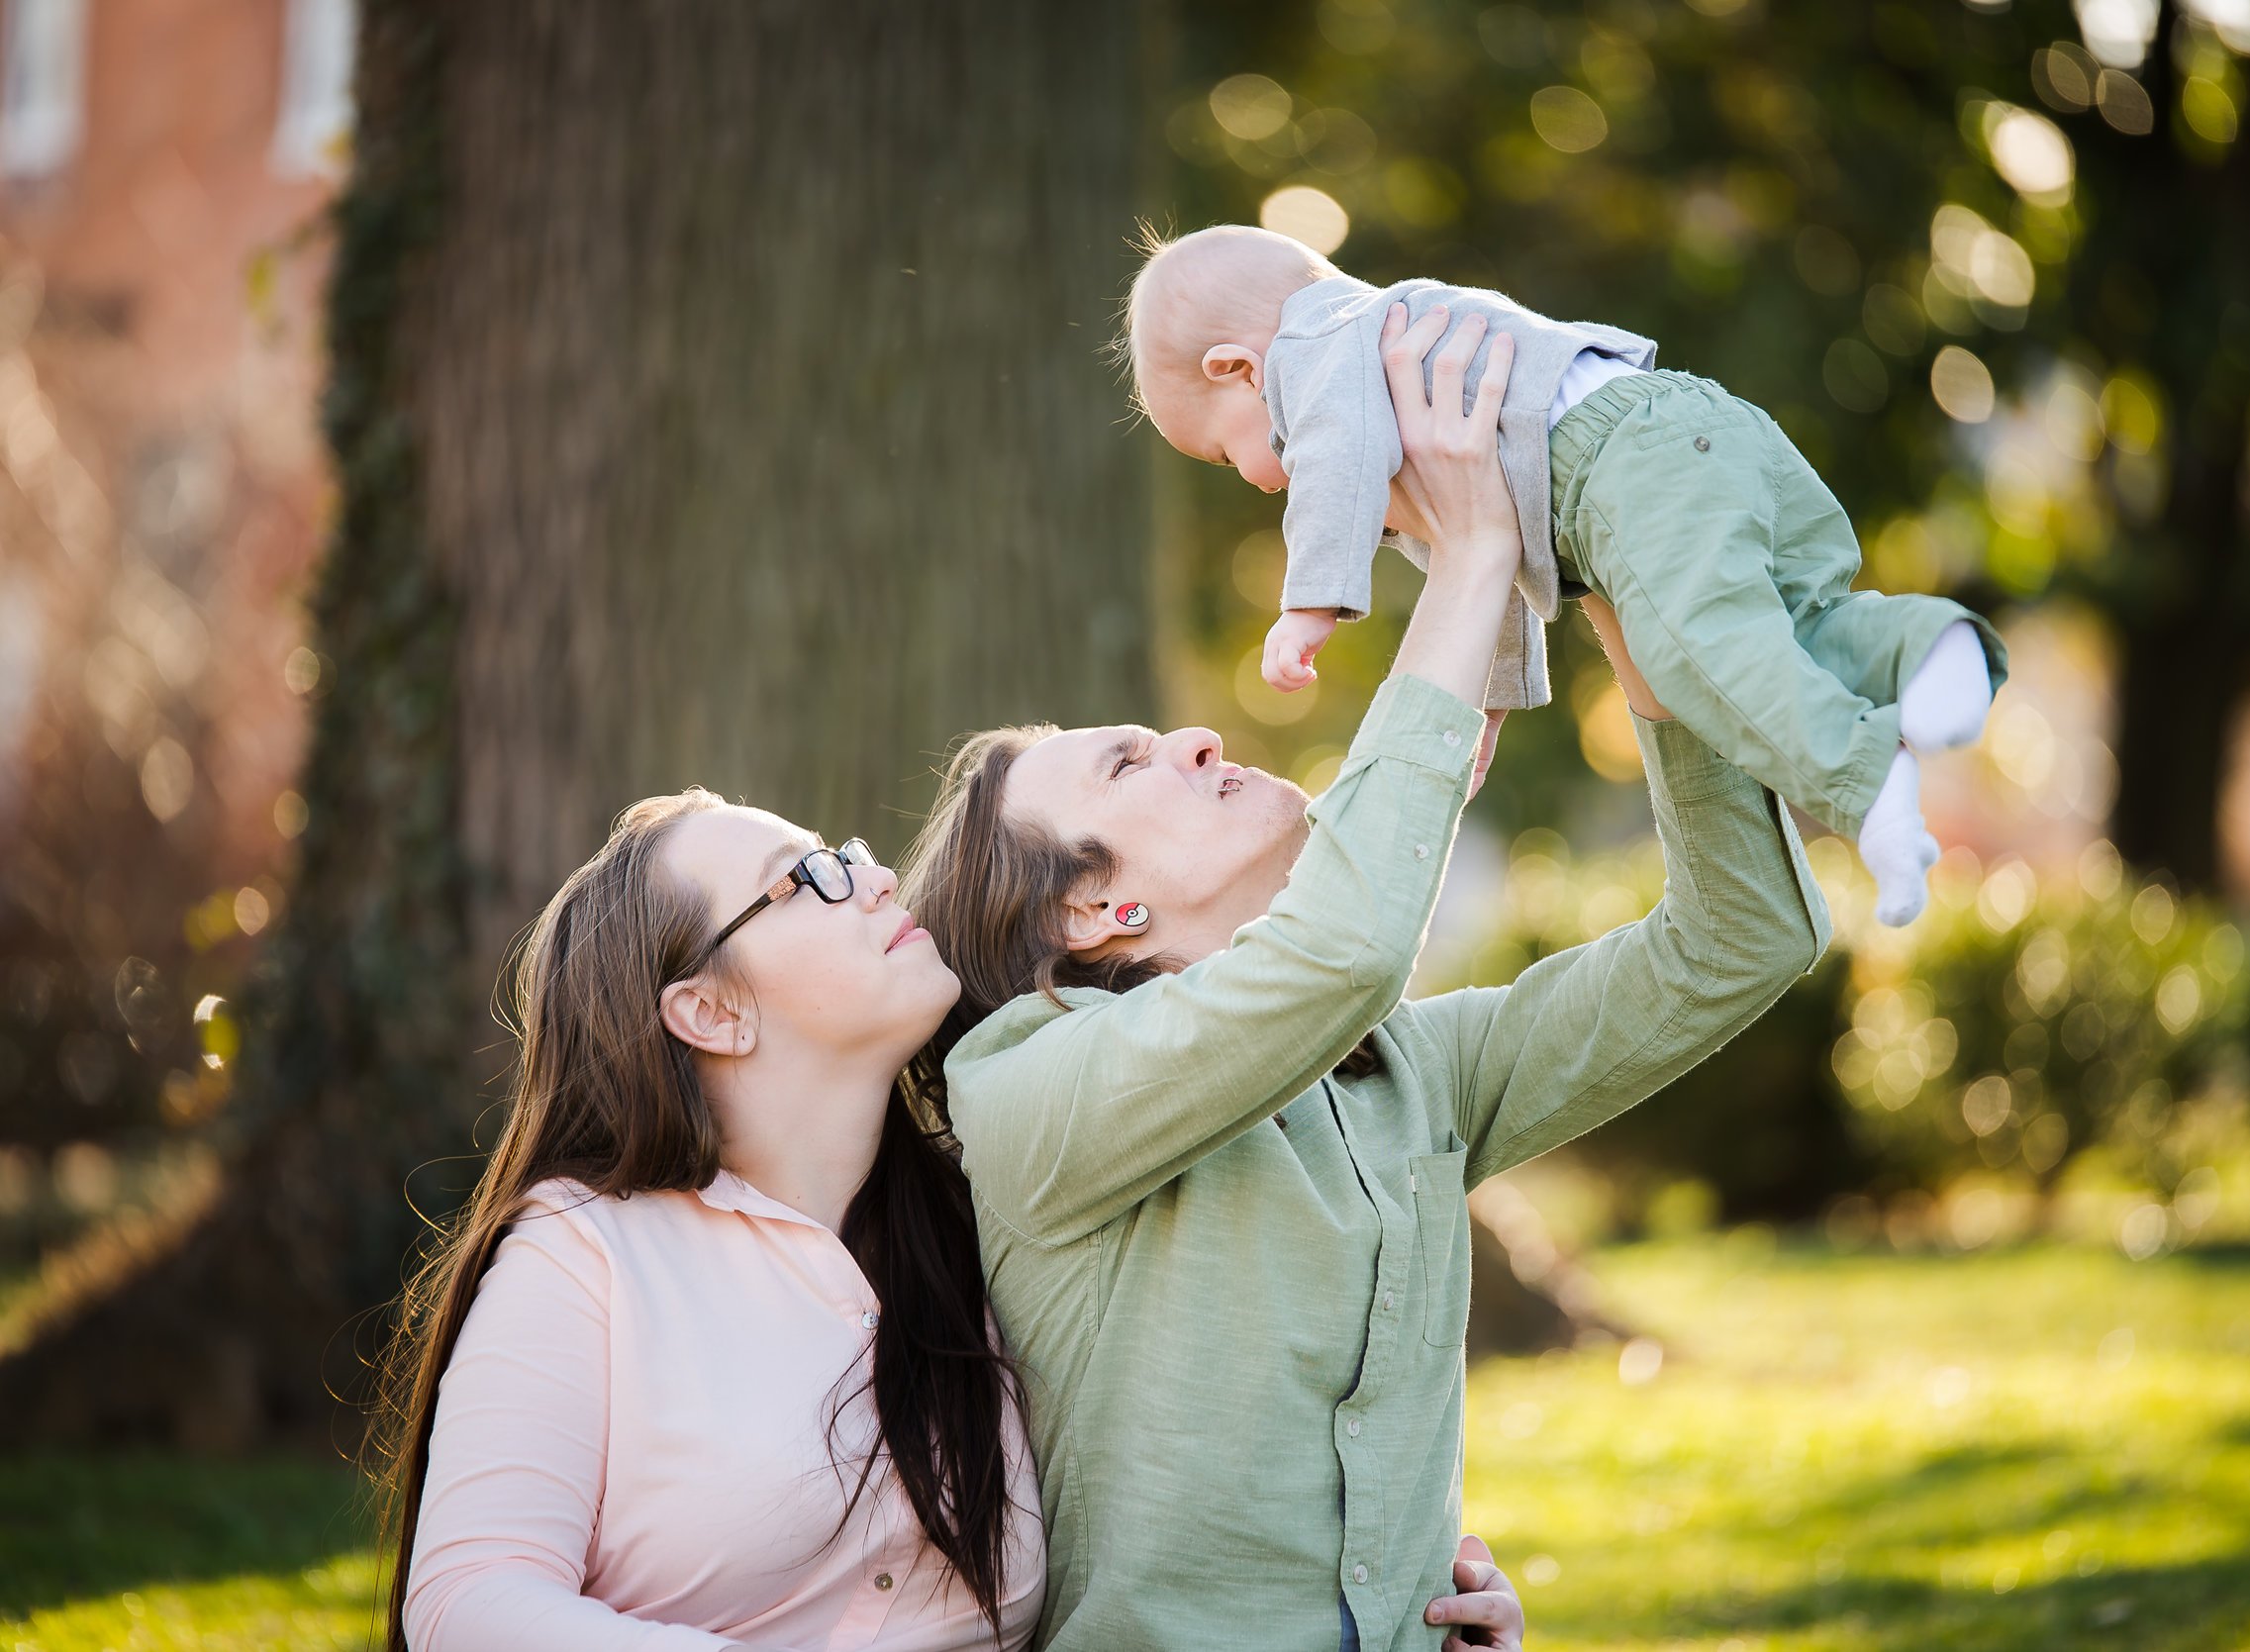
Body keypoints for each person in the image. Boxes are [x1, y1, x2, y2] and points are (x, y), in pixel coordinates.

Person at [900, 302, 1830, 1650]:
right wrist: (1469, 560)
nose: (1198, 736)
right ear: (1101, 908)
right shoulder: (1028, 1091)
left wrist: (1641, 605)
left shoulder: (1408, 1078)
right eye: (1129, 763)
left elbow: (1741, 942)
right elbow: (1343, 949)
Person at [368, 789, 1525, 1650]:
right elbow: (472, 1603)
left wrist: (1409, 1606)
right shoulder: (584, 1256)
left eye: (850, 855)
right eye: (806, 878)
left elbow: (1168, 1518)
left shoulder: (985, 1234)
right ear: (710, 1010)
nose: (871, 876)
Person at [1124, 223, 2006, 925]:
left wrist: (1308, 607)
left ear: (1237, 368)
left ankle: (1869, 787)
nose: (1252, 473)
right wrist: (1484, 705)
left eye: (1222, 453)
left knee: (1698, 653)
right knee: (1785, 627)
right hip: (1690, 429)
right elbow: (1492, 552)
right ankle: (1929, 650)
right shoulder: (1399, 363)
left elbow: (1333, 464)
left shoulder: (1321, 351)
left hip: (1622, 468)